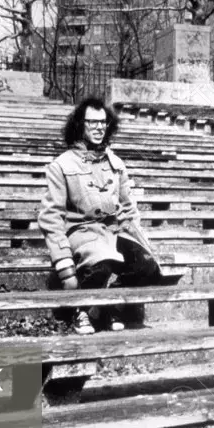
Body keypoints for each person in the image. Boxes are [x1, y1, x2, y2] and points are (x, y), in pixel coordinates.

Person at [38, 96, 163, 335]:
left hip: (113, 232)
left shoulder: (116, 163)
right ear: (79, 125)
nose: (98, 128)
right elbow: (50, 217)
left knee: (149, 267)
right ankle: (81, 311)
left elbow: (128, 209)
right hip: (82, 232)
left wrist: (142, 243)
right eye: (92, 122)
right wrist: (64, 266)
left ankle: (112, 305)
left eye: (103, 123)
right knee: (103, 259)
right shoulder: (61, 165)